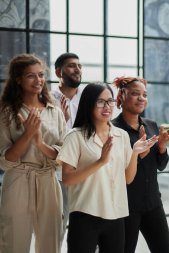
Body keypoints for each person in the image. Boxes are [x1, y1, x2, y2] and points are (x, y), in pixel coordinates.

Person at [56, 83, 158, 253]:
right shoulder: (75, 136)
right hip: (85, 214)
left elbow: (128, 178)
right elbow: (67, 179)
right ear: (89, 103)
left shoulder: (121, 136)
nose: (107, 106)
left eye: (110, 101)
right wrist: (100, 161)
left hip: (116, 215)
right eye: (100, 102)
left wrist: (134, 153)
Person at [0, 54, 66, 253]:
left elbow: (63, 154)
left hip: (48, 179)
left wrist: (39, 142)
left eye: (41, 75)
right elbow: (5, 160)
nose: (38, 80)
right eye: (31, 76)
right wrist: (27, 135)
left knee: (51, 242)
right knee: (13, 241)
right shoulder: (7, 112)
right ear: (18, 79)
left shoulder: (55, 111)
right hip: (18, 179)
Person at [112, 76, 169, 253]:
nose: (141, 98)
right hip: (126, 207)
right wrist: (137, 156)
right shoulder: (113, 130)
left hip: (153, 203)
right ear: (122, 96)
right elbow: (114, 172)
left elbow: (160, 166)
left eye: (144, 95)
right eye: (135, 94)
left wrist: (161, 147)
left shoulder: (152, 125)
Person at [51, 52, 83, 241]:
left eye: (79, 66)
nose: (77, 69)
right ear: (58, 72)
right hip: (59, 171)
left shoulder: (88, 97)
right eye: (71, 65)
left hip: (86, 168)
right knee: (58, 223)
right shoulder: (46, 99)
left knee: (89, 220)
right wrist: (62, 121)